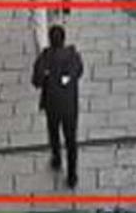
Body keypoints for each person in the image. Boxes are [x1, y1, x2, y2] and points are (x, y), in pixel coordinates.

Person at [31, 25, 83, 188]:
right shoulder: (73, 56)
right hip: (69, 106)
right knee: (71, 140)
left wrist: (47, 76)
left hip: (52, 105)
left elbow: (36, 82)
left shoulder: (45, 57)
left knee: (53, 133)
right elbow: (79, 72)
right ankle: (72, 175)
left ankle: (57, 158)